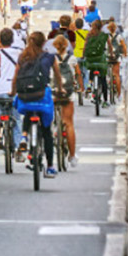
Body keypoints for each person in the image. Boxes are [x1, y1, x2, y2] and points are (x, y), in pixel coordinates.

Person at [13, 32, 60, 178]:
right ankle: (50, 166)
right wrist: (60, 88)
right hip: (42, 95)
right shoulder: (49, 57)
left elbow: (15, 77)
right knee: (47, 133)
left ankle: (24, 136)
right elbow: (57, 75)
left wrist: (12, 91)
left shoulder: (22, 56)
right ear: (44, 43)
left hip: (25, 96)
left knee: (29, 110)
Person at [0, 29, 25, 161]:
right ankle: (19, 146)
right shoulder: (19, 54)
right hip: (14, 91)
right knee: (17, 119)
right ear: (12, 41)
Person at [51, 35, 80, 167]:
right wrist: (81, 88)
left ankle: (53, 132)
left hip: (54, 93)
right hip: (67, 93)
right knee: (69, 123)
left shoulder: (51, 59)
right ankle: (72, 156)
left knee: (48, 119)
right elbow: (78, 74)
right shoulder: (72, 59)